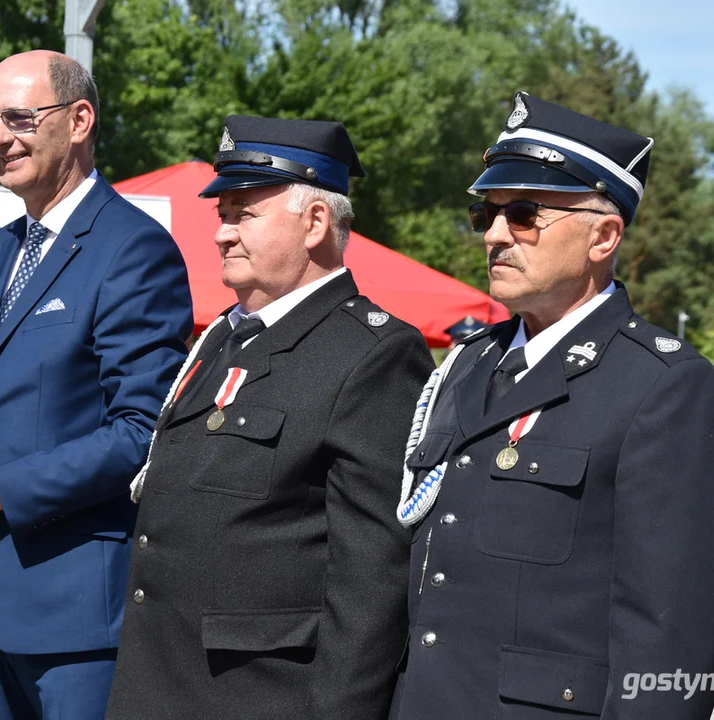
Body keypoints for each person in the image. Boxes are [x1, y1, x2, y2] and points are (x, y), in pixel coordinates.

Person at [390, 92, 714, 719]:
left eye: (523, 214)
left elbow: (674, 636)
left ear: (604, 235)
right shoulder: (471, 362)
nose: (495, 235)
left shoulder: (665, 387)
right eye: (487, 213)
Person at [0, 50, 193, 720]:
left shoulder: (133, 249)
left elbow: (139, 435)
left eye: (19, 118)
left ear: (79, 119)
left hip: (76, 618)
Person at [106, 116, 434, 720]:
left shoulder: (373, 353)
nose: (222, 235)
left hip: (261, 695)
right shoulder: (217, 343)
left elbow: (372, 583)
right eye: (221, 214)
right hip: (158, 681)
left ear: (314, 223)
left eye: (243, 213)